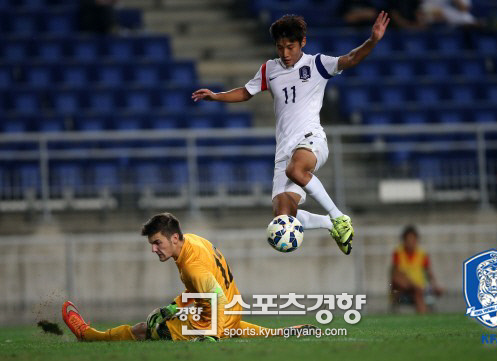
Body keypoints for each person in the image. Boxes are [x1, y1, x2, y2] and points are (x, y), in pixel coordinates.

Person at [192, 12, 391, 255]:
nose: (285, 53)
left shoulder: (317, 64)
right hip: (283, 149)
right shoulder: (269, 69)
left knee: (296, 170)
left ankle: (339, 217)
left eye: (290, 47)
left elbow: (350, 58)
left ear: (302, 43)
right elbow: (245, 92)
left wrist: (372, 40)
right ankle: (331, 225)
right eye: (280, 47)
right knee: (283, 215)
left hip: (311, 138)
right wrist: (216, 96)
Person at [62, 213, 315, 342]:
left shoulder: (191, 265)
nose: (154, 249)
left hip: (216, 316)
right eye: (151, 244)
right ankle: (284, 333)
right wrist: (174, 306)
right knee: (233, 329)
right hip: (233, 311)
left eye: (157, 242)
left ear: (173, 238)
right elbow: (204, 288)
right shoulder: (193, 241)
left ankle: (88, 335)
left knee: (146, 330)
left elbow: (213, 295)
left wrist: (211, 334)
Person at [390, 225, 442, 314]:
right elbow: (395, 272)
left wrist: (435, 285)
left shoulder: (422, 253)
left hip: (418, 288)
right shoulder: (398, 252)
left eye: (413, 239)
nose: (410, 242)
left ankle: (423, 317)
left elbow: (429, 272)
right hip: (403, 287)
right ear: (404, 240)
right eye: (408, 240)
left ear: (417, 240)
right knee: (397, 277)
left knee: (417, 292)